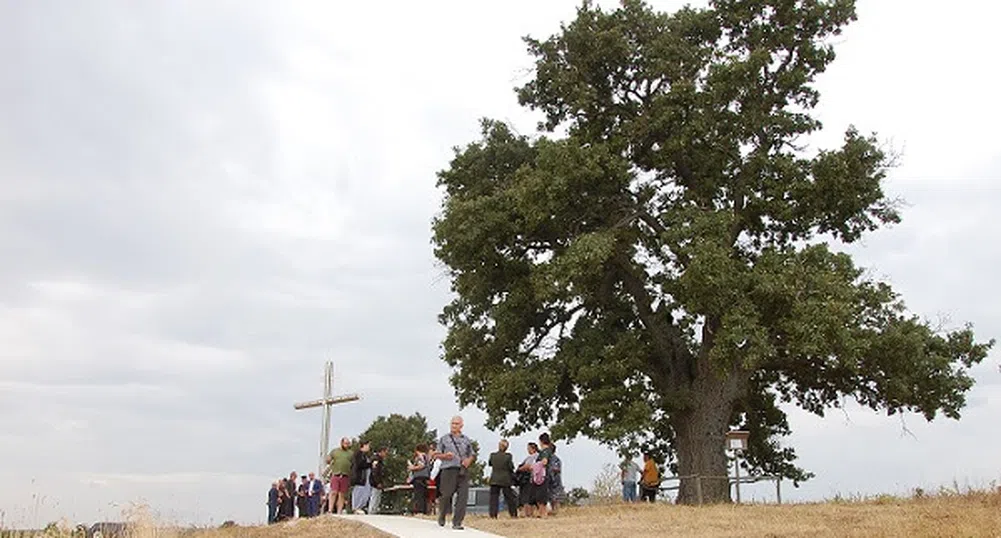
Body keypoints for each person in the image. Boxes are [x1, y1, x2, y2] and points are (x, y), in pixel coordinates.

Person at [435, 415, 476, 530]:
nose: (454, 426)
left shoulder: (466, 440)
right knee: (446, 494)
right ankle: (442, 514)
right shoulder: (444, 439)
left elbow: (472, 454)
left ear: (461, 425)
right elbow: (436, 454)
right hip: (448, 469)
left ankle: (457, 522)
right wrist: (445, 456)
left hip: (462, 470)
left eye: (456, 424)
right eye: (452, 423)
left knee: (463, 496)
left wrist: (469, 460)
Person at [487, 439, 518, 519]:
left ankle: (493, 515)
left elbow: (490, 463)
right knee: (509, 497)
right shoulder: (508, 456)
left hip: (494, 478)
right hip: (505, 479)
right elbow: (510, 467)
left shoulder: (492, 455)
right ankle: (513, 514)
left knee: (493, 498)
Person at [326, 437, 354, 514]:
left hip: (345, 475)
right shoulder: (335, 451)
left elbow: (353, 463)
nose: (347, 445)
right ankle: (330, 510)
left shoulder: (351, 453)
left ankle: (339, 511)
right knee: (333, 492)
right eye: (346, 443)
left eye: (348, 444)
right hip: (336, 474)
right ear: (342, 443)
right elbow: (328, 459)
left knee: (342, 494)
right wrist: (328, 460)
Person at [407, 443, 431, 515]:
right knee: (423, 494)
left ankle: (419, 510)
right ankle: (424, 510)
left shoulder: (420, 456)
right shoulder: (427, 456)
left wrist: (412, 468)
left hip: (419, 477)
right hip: (425, 477)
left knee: (419, 494)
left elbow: (421, 465)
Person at [350, 439, 373, 513]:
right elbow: (360, 465)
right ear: (364, 445)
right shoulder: (358, 454)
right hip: (360, 477)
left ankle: (361, 506)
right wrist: (370, 464)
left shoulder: (365, 455)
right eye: (368, 445)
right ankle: (356, 507)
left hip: (365, 478)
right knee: (358, 492)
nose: (369, 447)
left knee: (365, 492)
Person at [368, 446, 390, 514]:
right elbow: (375, 471)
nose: (386, 454)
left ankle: (374, 510)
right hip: (375, 482)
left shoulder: (379, 460)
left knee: (377, 497)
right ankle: (371, 511)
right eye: (385, 452)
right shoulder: (376, 460)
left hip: (377, 481)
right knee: (374, 496)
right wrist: (378, 482)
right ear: (382, 451)